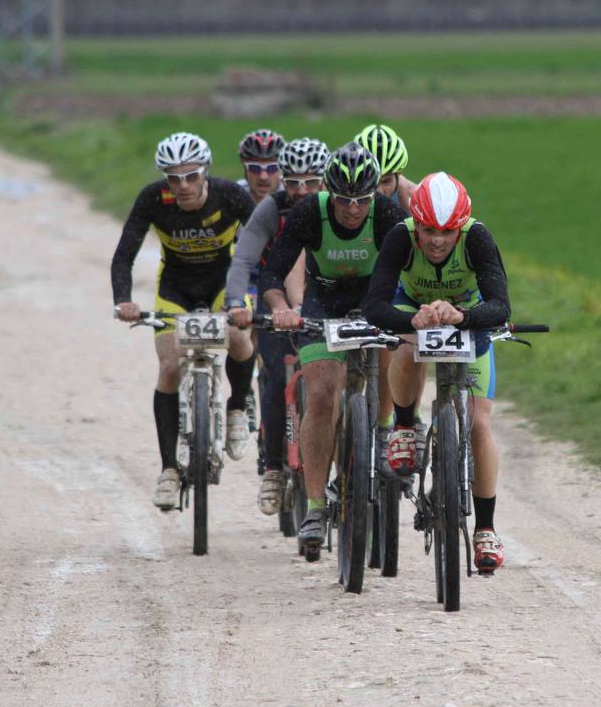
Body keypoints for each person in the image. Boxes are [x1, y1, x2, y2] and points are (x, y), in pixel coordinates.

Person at [258, 142, 407, 555]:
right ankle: (316, 506)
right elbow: (272, 271)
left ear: (375, 192)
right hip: (323, 305)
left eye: (362, 200)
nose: (353, 210)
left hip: (374, 299)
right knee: (321, 397)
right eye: (343, 200)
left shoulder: (390, 214)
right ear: (329, 191)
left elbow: (418, 268)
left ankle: (383, 432)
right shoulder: (310, 212)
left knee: (392, 355)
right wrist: (282, 308)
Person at [362, 172, 512, 573]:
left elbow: (500, 305)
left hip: (467, 321)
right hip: (415, 314)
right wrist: (411, 321)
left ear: (461, 225)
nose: (437, 240)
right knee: (407, 353)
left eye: (447, 231)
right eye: (427, 229)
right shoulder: (400, 236)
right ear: (416, 222)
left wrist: (462, 315)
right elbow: (375, 305)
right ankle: (406, 427)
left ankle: (485, 528)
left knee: (480, 424)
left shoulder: (477, 237)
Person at [112, 132, 258, 510]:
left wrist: (254, 297)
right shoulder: (153, 198)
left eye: (191, 176)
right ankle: (169, 470)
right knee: (168, 366)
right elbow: (124, 253)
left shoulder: (229, 196)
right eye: (173, 178)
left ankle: (238, 407)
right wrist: (124, 300)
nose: (183, 186)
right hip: (175, 286)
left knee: (241, 340)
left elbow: (263, 243)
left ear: (205, 172)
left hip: (221, 283)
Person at [225, 137, 330, 515]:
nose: (301, 191)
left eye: (311, 182)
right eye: (294, 182)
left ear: (326, 181)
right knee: (276, 373)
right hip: (276, 293)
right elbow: (243, 258)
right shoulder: (272, 208)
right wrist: (237, 302)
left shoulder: (338, 208)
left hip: (324, 295)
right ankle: (273, 468)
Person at [354, 123, 417, 207]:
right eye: (370, 180)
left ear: (398, 175)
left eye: (386, 181)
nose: (378, 191)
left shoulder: (413, 197)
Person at [236, 128, 285, 204]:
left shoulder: (293, 196)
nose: (263, 177)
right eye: (255, 168)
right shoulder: (234, 194)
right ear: (245, 168)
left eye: (272, 168)